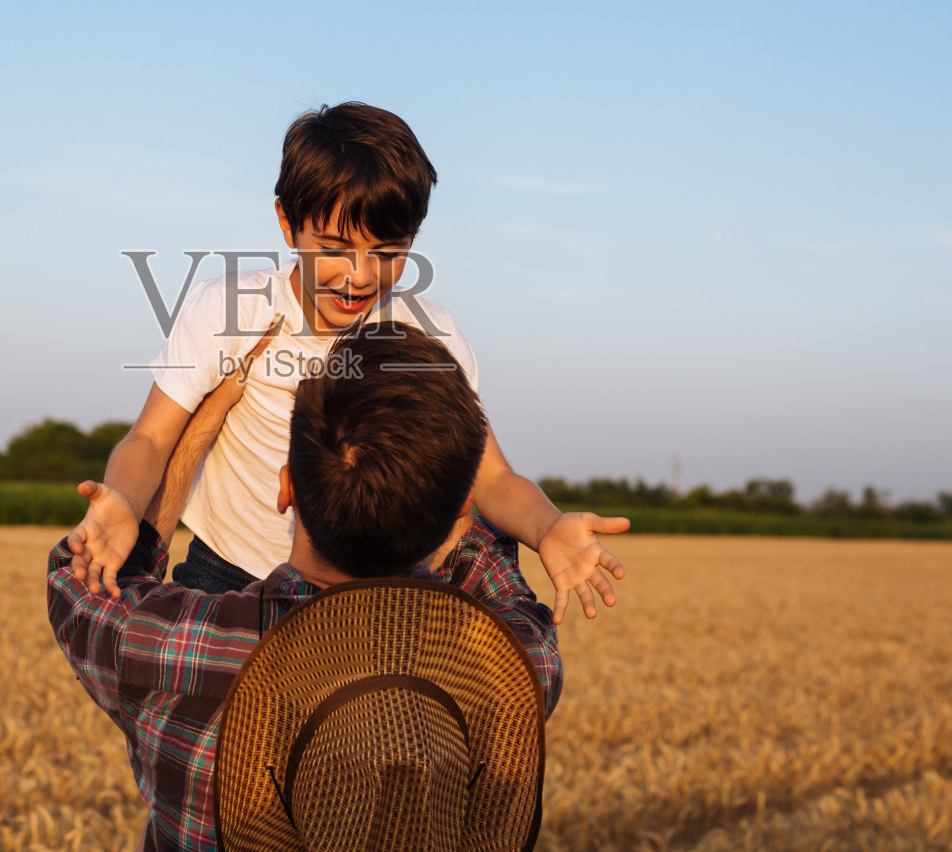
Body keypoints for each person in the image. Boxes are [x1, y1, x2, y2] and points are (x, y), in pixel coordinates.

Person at [67, 102, 628, 623]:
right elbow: (151, 439)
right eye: (334, 247)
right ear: (288, 224)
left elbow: (493, 477)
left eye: (387, 252)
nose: (359, 275)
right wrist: (122, 499)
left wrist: (547, 526)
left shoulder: (427, 336)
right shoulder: (230, 309)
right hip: (228, 572)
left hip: (375, 588)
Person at [47, 322, 581, 851]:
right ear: (459, 505)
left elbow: (83, 582)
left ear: (285, 488)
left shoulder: (166, 645)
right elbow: (482, 553)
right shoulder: (516, 661)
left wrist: (203, 423)